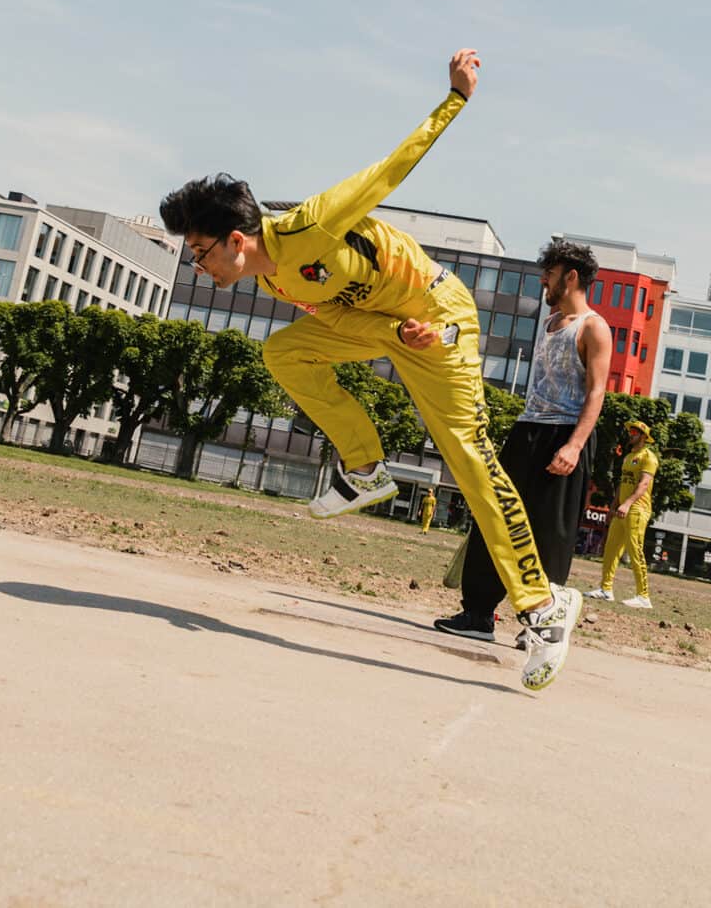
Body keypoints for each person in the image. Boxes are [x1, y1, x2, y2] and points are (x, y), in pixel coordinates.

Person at [159, 49, 582, 693]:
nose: (200, 268)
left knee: (470, 461)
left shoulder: (309, 225)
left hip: (439, 317)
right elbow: (347, 322)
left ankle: (543, 608)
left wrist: (456, 97)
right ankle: (364, 468)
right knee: (284, 352)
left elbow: (393, 168)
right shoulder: (270, 280)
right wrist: (391, 334)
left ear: (236, 241)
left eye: (200, 253)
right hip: (390, 326)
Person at [434, 239, 611, 647]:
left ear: (570, 276)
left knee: (551, 534)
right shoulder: (550, 322)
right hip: (527, 429)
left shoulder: (593, 327)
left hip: (566, 434)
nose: (542, 281)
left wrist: (574, 447)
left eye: (548, 274)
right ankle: (478, 613)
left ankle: (539, 623)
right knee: (494, 517)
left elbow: (597, 392)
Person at [586, 420, 659, 610]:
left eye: (635, 432)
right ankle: (605, 589)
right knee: (610, 549)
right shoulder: (628, 457)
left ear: (644, 437)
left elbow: (643, 485)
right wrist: (613, 506)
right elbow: (622, 484)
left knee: (635, 550)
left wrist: (627, 504)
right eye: (631, 431)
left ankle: (643, 596)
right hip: (622, 509)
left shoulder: (648, 457)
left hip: (637, 509)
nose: (631, 434)